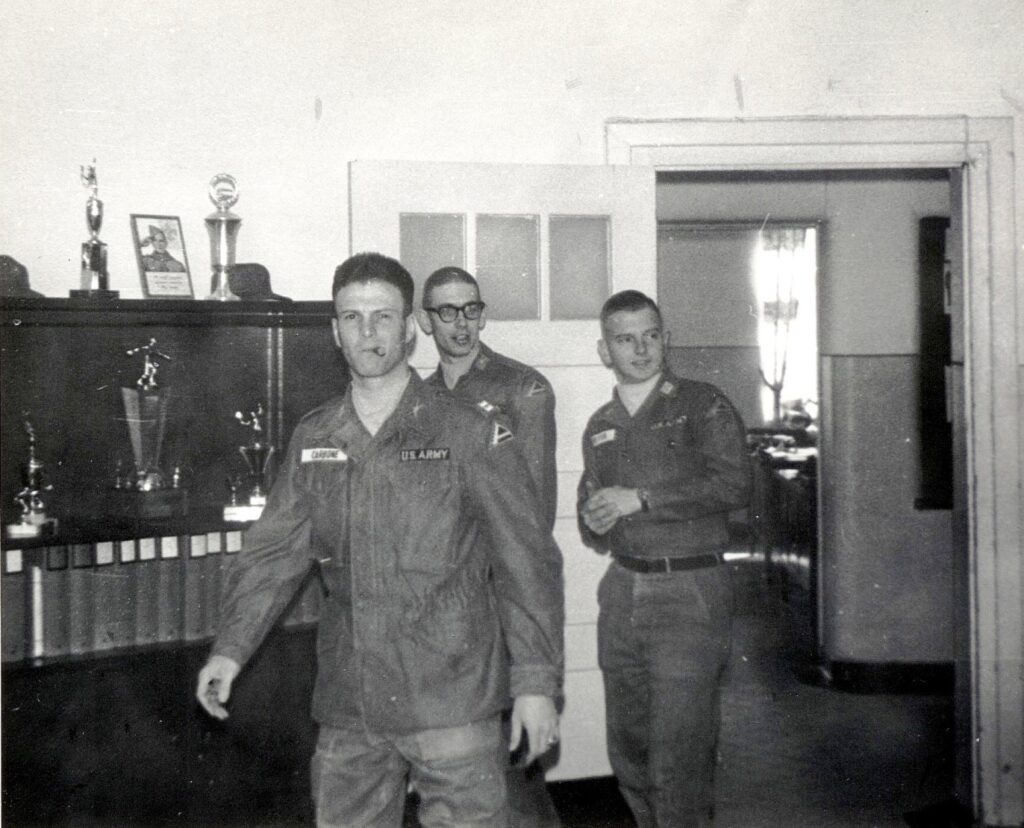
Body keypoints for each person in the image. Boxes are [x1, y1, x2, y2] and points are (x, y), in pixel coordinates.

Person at [196, 252, 565, 827]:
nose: (367, 332)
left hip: (453, 698)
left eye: (383, 317)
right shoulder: (317, 435)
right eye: (351, 317)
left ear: (410, 329)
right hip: (353, 701)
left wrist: (537, 684)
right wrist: (230, 647)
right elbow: (273, 553)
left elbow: (527, 561)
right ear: (334, 331)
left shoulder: (468, 430)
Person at [577, 290, 750, 827]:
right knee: (629, 749)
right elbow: (593, 501)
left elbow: (734, 483)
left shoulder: (703, 404)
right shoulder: (600, 423)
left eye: (650, 335)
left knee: (680, 755)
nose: (641, 348)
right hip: (623, 591)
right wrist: (594, 514)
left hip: (688, 590)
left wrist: (644, 498)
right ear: (605, 350)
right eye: (625, 339)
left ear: (666, 338)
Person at [416, 266, 560, 827]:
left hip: (503, 595)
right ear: (427, 321)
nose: (460, 323)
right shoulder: (418, 398)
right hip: (446, 602)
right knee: (463, 758)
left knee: (517, 758)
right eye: (446, 311)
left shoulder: (522, 388)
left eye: (470, 309)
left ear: (483, 312)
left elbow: (534, 517)